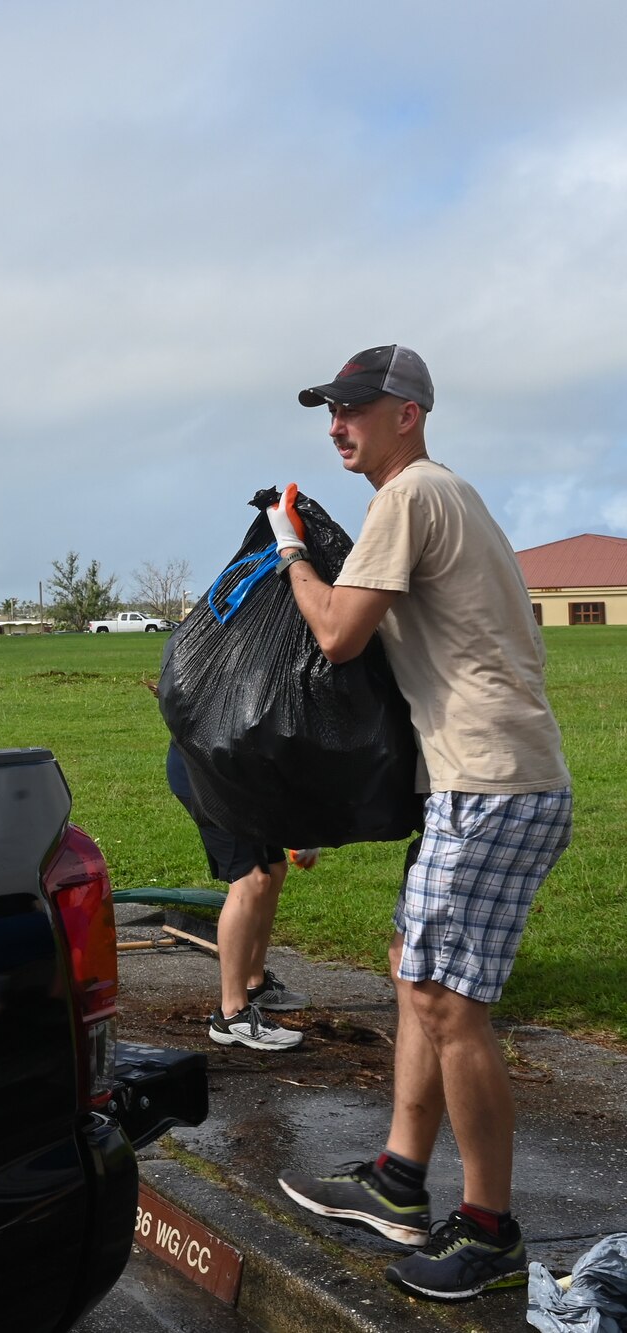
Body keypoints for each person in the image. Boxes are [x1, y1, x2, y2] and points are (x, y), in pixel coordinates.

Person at [268, 345, 573, 1303]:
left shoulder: (408, 497)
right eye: (329, 409)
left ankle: (489, 1227)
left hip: (489, 783)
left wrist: (287, 549)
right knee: (416, 968)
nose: (336, 424)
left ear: (409, 412)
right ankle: (401, 1176)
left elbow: (335, 631)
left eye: (354, 406)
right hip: (489, 777)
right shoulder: (454, 496)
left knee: (447, 1001)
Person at [164, 741, 313, 1051]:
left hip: (239, 774)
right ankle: (232, 1016)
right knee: (250, 880)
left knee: (274, 868)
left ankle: (254, 983)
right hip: (207, 775)